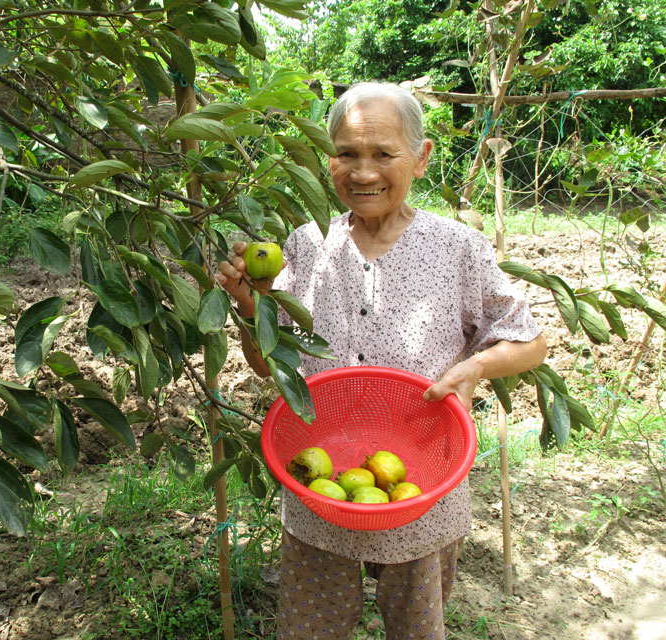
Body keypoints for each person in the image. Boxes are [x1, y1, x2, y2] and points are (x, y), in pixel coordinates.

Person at [216, 82, 547, 639]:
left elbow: (530, 341)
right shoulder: (305, 244)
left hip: (421, 489)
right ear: (328, 160)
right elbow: (267, 364)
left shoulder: (457, 248)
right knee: (312, 629)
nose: (363, 172)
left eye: (382, 154)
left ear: (421, 159)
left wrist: (474, 369)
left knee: (416, 630)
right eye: (347, 153)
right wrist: (252, 308)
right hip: (317, 489)